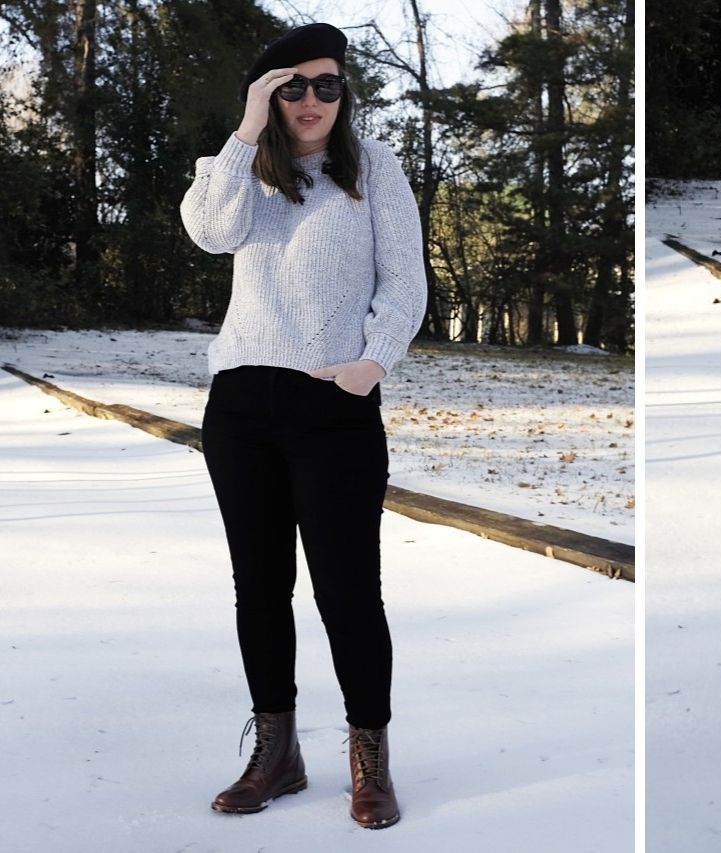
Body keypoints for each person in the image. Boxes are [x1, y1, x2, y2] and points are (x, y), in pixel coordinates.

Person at [179, 22, 427, 830]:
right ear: (266, 95)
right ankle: (277, 753)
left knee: (350, 592)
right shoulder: (235, 173)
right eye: (292, 86)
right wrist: (245, 130)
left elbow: (406, 280)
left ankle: (370, 758)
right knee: (259, 588)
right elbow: (210, 231)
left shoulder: (374, 169)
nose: (313, 100)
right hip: (242, 406)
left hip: (335, 408)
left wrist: (373, 361)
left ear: (344, 92)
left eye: (327, 84)